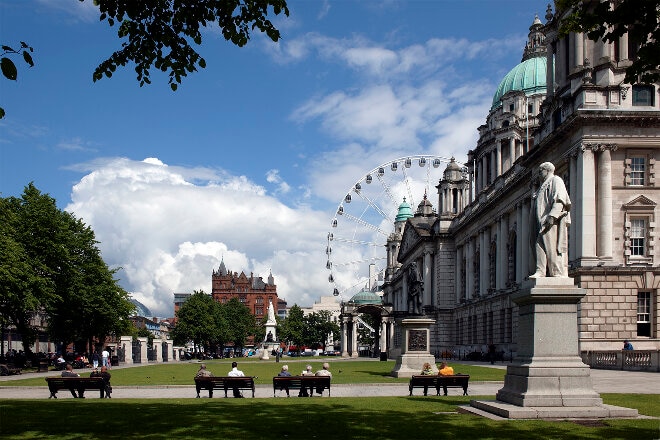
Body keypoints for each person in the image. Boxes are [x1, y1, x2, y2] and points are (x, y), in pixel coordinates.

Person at [529, 162, 571, 278]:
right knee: (539, 244)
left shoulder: (556, 180)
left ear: (547, 170)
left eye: (540, 171)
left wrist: (552, 216)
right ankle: (540, 270)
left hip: (551, 221)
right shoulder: (542, 186)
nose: (538, 174)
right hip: (541, 221)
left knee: (552, 247)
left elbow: (560, 199)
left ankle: (556, 272)